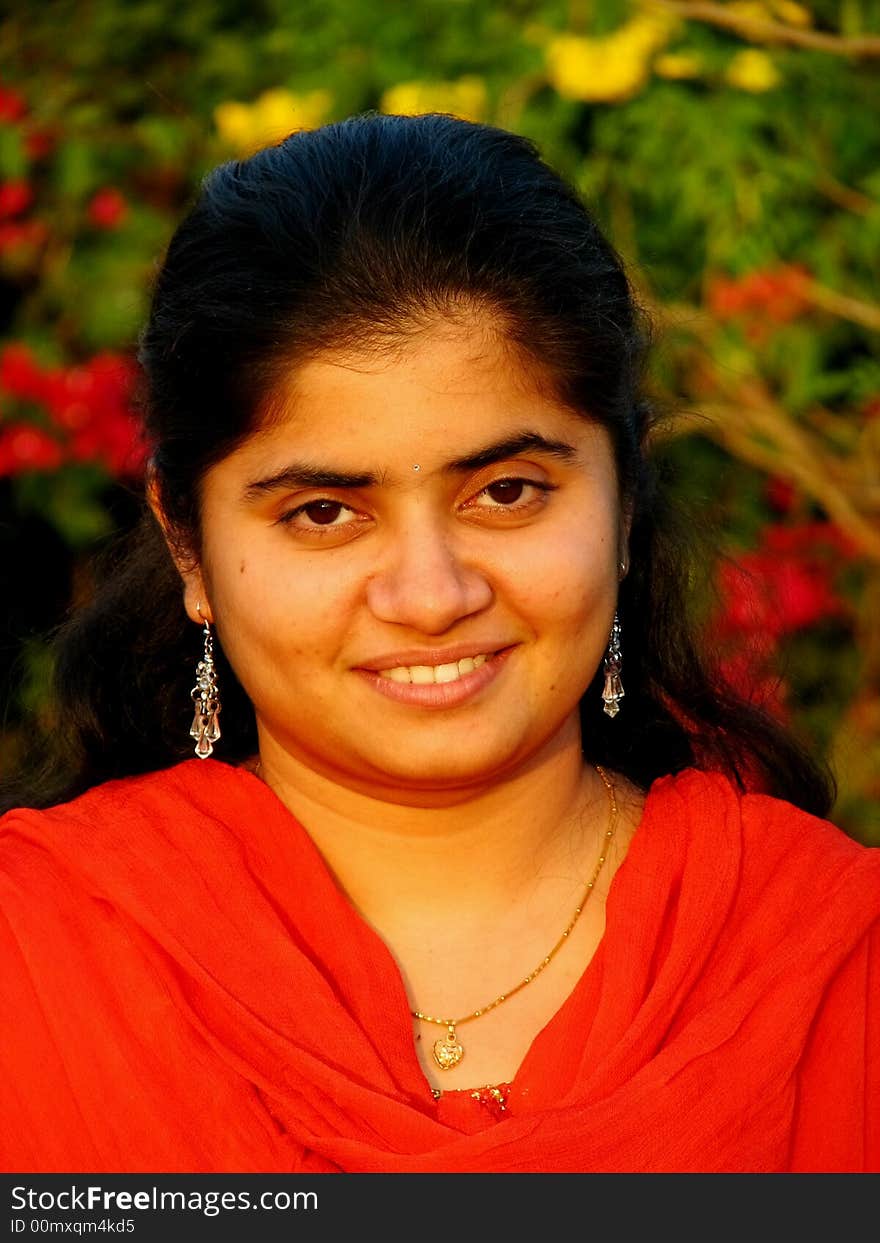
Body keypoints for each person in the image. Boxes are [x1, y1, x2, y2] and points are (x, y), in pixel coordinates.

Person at [1, 112, 878, 1176]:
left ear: (625, 505)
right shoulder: (36, 956)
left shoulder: (831, 960)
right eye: (325, 512)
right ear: (188, 546)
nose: (431, 594)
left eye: (507, 492)